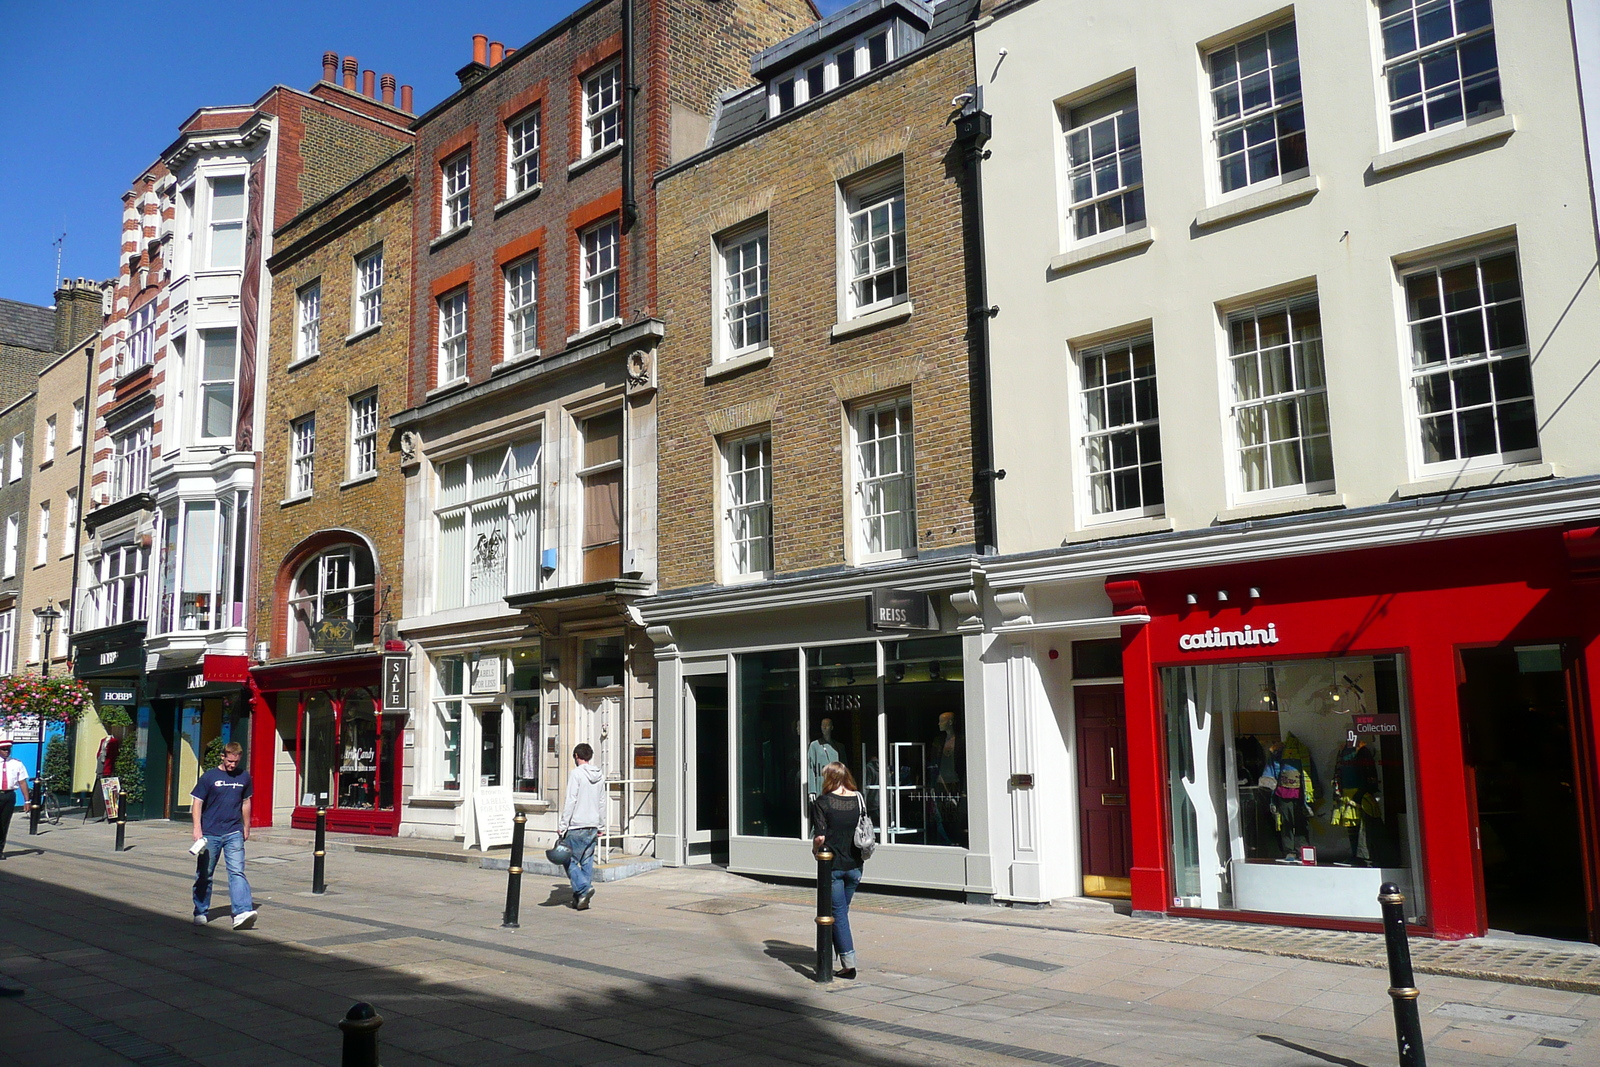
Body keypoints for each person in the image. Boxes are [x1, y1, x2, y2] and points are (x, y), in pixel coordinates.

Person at [191, 741, 256, 929]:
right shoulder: (210, 777)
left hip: (233, 831)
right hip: (210, 833)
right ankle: (201, 910)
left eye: (236, 762)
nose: (232, 765)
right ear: (223, 756)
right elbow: (197, 802)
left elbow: (246, 802)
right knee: (205, 874)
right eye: (229, 761)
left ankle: (242, 911)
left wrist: (247, 825)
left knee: (237, 871)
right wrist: (197, 828)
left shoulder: (244, 777)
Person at [811, 760, 866, 979]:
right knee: (839, 913)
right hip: (855, 867)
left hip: (832, 868)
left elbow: (820, 837)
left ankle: (849, 965)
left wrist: (815, 851)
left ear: (830, 778)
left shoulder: (823, 802)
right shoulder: (859, 798)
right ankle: (837, 954)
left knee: (837, 915)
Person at [557, 742, 606, 910]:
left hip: (577, 825)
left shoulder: (576, 774)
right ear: (589, 756)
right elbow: (601, 802)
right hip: (592, 825)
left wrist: (563, 825)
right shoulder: (600, 775)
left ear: (577, 756)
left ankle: (584, 888)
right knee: (586, 862)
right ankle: (582, 899)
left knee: (566, 858)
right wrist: (601, 825)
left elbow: (571, 800)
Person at [0, 736, 31, 859]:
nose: (6, 751)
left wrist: (27, 800)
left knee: (4, 824)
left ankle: (0, 850)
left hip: (9, 795)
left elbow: (22, 782)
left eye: (8, 749)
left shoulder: (17, 763)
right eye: (3, 749)